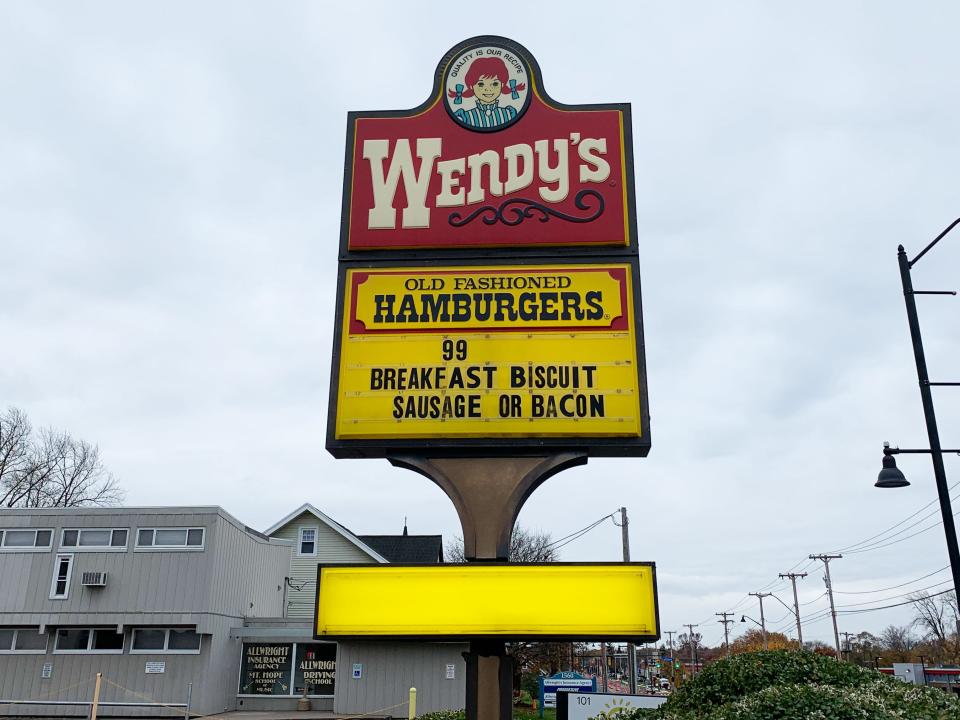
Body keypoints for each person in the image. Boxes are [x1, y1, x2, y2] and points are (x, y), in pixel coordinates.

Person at [448, 56, 525, 129]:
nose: (488, 89)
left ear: (502, 85)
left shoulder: (509, 113)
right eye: (481, 84)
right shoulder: (465, 116)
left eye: (495, 84)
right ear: (471, 86)